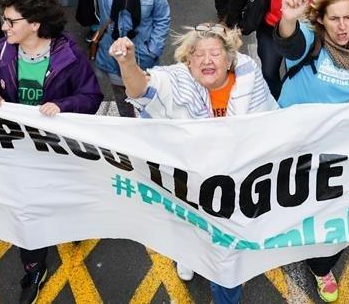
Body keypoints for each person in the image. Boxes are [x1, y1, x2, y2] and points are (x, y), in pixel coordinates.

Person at [111, 24, 275, 293]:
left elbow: (274, 124)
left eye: (215, 53)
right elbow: (141, 91)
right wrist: (127, 62)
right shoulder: (177, 81)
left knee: (227, 249)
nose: (207, 60)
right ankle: (188, 255)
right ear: (188, 60)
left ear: (229, 58)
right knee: (188, 227)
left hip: (236, 183)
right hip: (191, 183)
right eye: (199, 54)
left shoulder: (249, 81)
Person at [0, 0, 102, 300]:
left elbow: (91, 96)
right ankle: (34, 267)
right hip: (18, 152)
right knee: (27, 211)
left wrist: (63, 107)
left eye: (10, 21)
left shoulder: (70, 56)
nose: (4, 27)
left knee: (61, 199)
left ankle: (70, 229)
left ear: (34, 24)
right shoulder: (1, 51)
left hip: (57, 152)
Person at [275, 0, 349, 301]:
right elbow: (289, 44)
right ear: (321, 20)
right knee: (290, 198)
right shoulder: (313, 39)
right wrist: (288, 19)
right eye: (334, 18)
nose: (342, 26)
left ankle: (321, 265)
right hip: (297, 142)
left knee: (334, 210)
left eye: (347, 18)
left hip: (342, 149)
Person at [53, 0, 170, 117]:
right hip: (112, 56)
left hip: (143, 56)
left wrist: (153, 48)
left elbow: (162, 17)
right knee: (123, 101)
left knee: (147, 100)